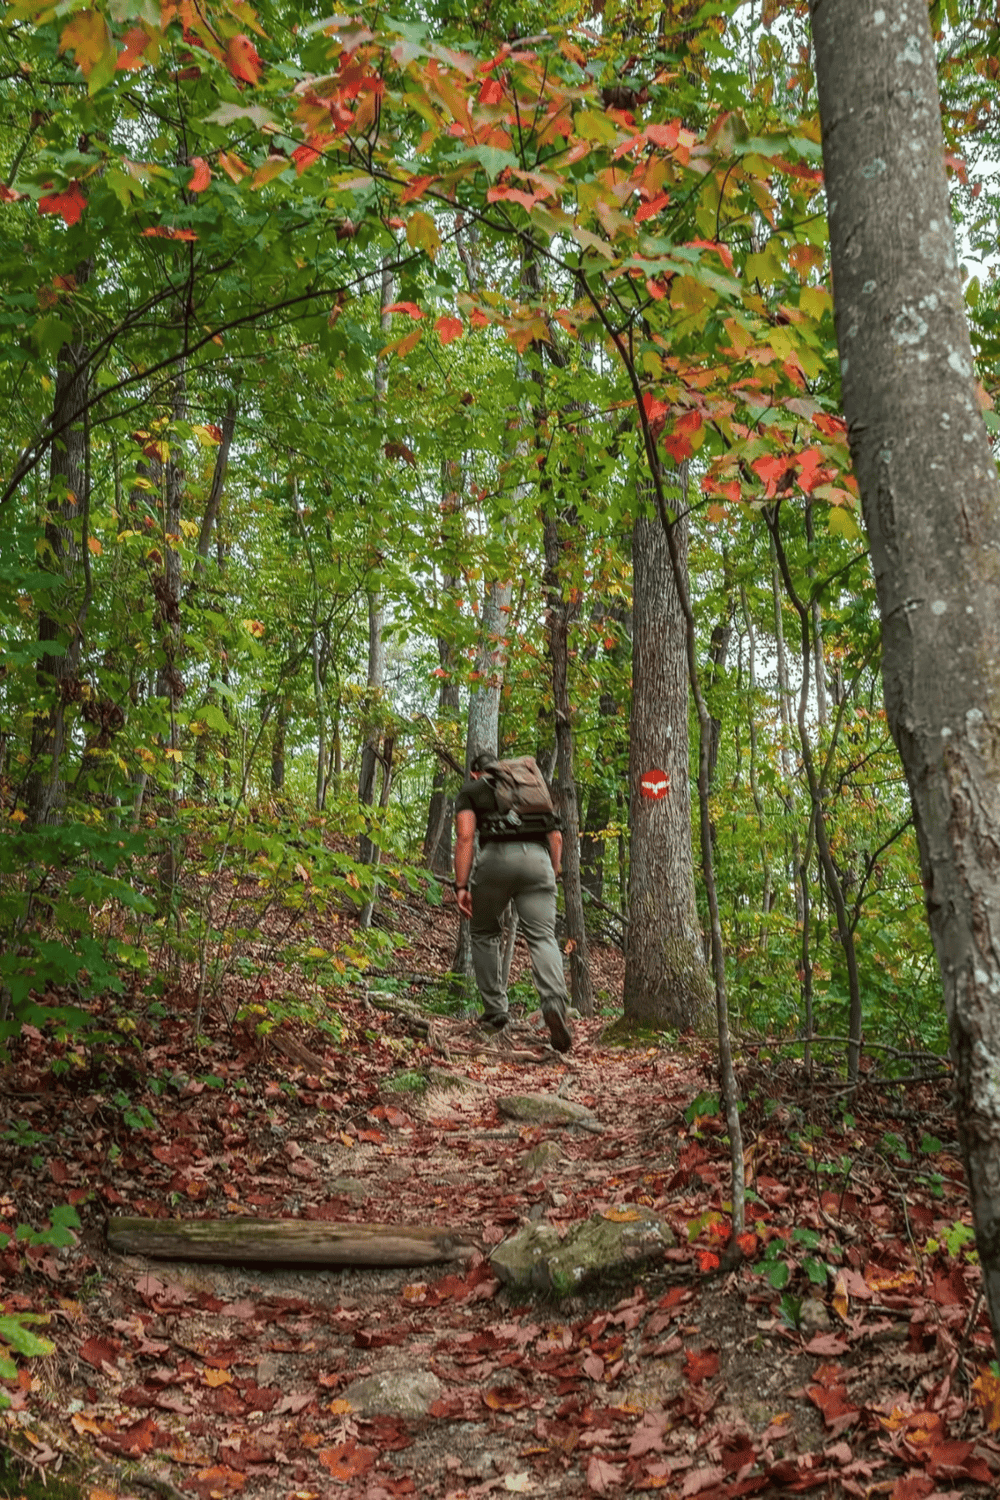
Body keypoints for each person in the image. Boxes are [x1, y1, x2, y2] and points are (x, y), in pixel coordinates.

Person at [453, 752, 573, 1053]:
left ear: (475, 773)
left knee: (483, 932)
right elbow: (556, 837)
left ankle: (495, 1011)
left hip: (495, 860)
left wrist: (461, 886)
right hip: (538, 860)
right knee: (543, 936)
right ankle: (554, 1002)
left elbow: (466, 838)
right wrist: (552, 871)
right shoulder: (530, 786)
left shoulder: (472, 790)